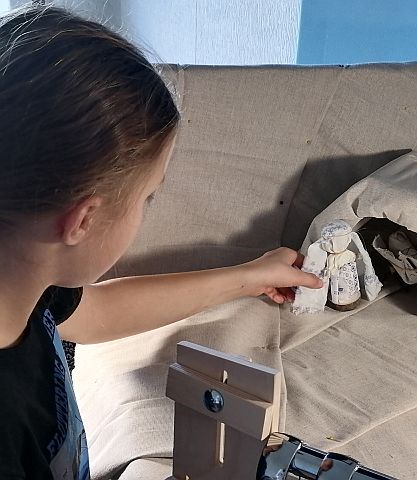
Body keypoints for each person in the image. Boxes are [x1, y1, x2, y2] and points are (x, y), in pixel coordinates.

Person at [0, 5, 323, 479]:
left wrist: (249, 276)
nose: (146, 209)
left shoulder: (21, 273)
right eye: (147, 197)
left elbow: (97, 311)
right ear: (83, 220)